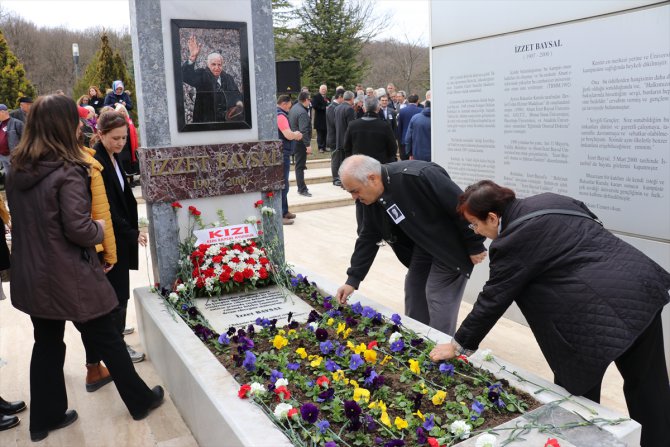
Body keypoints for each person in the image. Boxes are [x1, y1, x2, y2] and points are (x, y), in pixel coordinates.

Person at [429, 180, 670, 446]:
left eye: (475, 224)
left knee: (577, 395)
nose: (476, 231)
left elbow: (493, 299)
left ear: (493, 217)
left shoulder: (511, 242)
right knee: (649, 385)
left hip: (593, 318)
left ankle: (583, 442)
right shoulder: (551, 200)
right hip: (641, 287)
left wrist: (458, 344)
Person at [6, 95, 163, 442]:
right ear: (62, 125)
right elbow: (78, 228)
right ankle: (139, 401)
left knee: (46, 343)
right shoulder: (68, 169)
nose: (80, 125)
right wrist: (101, 230)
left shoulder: (16, 168)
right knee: (107, 336)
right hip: (68, 275)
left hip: (32, 274)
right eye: (74, 120)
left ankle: (43, 421)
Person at [335, 155, 487, 335]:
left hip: (451, 245)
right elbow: (368, 237)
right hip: (424, 246)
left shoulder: (419, 176)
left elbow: (462, 206)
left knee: (437, 294)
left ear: (372, 178)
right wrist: (353, 279)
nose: (354, 197)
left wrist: (475, 243)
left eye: (355, 190)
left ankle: (442, 350)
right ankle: (417, 341)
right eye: (350, 192)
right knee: (414, 289)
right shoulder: (368, 199)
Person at [93, 111, 147, 363]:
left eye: (124, 138)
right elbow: (108, 207)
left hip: (120, 234)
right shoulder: (98, 161)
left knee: (119, 290)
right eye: (115, 138)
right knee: (117, 293)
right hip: (111, 238)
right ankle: (117, 345)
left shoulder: (113, 157)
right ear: (100, 134)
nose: (121, 143)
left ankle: (116, 330)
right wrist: (131, 232)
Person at [77, 119, 118, 392]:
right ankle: (135, 395)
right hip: (80, 256)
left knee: (49, 336)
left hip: (42, 263)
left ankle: (95, 368)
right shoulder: (86, 165)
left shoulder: (25, 165)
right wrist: (110, 253)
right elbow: (95, 217)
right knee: (97, 321)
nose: (121, 143)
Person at [182, 35, 243, 123]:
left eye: (219, 65)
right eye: (213, 64)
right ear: (208, 64)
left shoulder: (228, 78)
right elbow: (186, 76)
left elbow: (237, 96)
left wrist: (236, 107)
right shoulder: (202, 75)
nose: (217, 67)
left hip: (226, 123)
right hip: (206, 123)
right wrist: (192, 58)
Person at [276, 95, 303, 225]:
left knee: (284, 183)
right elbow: (287, 134)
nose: (290, 107)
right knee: (283, 184)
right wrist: (296, 135)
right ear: (285, 103)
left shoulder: (278, 114)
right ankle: (280, 214)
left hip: (282, 152)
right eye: (290, 104)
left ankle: (285, 210)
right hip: (283, 153)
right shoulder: (280, 116)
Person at [288, 91, 312, 197]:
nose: (310, 101)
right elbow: (304, 130)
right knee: (300, 166)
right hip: (300, 142)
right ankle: (302, 188)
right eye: (309, 99)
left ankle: (301, 187)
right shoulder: (302, 112)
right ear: (306, 100)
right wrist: (307, 145)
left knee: (299, 165)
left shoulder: (294, 107)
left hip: (295, 140)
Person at [332, 91, 355, 187]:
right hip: (347, 140)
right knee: (346, 162)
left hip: (338, 138)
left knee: (340, 161)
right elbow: (351, 126)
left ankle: (340, 180)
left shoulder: (337, 108)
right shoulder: (349, 109)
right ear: (352, 98)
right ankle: (345, 181)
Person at [0, 104, 24, 181]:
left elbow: (25, 139)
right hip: (2, 156)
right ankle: (12, 191)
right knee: (9, 176)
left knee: (17, 176)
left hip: (13, 156)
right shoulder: (0, 124)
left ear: (3, 112)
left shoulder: (17, 123)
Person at [397, 94, 422, 161]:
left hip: (404, 139)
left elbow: (400, 127)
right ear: (418, 101)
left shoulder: (402, 111)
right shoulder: (421, 110)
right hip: (417, 139)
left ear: (408, 100)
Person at [311, 85, 330, 153]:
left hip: (326, 119)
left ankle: (325, 146)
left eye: (325, 89)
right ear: (319, 90)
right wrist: (324, 108)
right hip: (319, 119)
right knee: (320, 134)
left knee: (326, 134)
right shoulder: (316, 97)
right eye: (322, 89)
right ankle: (320, 147)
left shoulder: (327, 98)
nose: (324, 90)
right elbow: (314, 106)